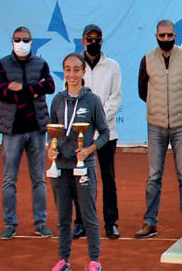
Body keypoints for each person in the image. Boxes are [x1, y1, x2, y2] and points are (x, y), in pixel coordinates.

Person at [46, 53, 109, 271]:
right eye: (67, 69)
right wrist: (50, 149)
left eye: (76, 70)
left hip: (84, 167)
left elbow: (104, 133)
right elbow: (51, 133)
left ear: (83, 72)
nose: (72, 74)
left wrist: (90, 149)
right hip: (60, 167)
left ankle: (94, 262)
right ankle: (64, 261)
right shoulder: (57, 100)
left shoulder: (92, 101)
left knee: (88, 215)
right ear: (64, 71)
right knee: (63, 217)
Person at [135, 19, 182, 238]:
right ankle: (149, 222)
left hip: (181, 125)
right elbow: (142, 90)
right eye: (162, 35)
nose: (166, 39)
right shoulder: (147, 60)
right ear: (156, 36)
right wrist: (159, 108)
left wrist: (179, 108)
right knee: (154, 176)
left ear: (175, 36)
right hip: (156, 126)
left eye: (169, 35)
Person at [0, 26, 55, 240]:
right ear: (11, 42)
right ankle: (10, 224)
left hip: (36, 129)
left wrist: (21, 87)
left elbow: (49, 86)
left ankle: (40, 223)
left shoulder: (41, 64)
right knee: (8, 179)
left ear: (32, 42)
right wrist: (34, 88)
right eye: (17, 39)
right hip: (12, 130)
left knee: (38, 179)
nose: (21, 43)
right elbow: (2, 92)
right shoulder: (2, 64)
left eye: (25, 39)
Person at [71, 24, 122, 239]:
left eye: (97, 39)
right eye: (89, 39)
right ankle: (81, 222)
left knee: (108, 178)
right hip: (81, 136)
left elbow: (116, 98)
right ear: (83, 41)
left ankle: (111, 223)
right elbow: (73, 95)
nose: (93, 42)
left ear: (102, 41)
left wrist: (99, 122)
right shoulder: (77, 66)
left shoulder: (112, 66)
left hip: (106, 134)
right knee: (81, 179)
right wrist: (87, 125)